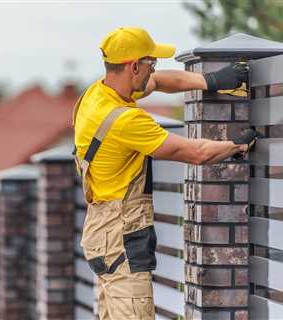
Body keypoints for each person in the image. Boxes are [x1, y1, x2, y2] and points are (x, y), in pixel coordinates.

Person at [72, 27, 258, 320]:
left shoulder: (97, 95)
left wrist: (210, 81)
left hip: (101, 233)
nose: (154, 69)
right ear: (134, 66)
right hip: (122, 234)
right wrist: (237, 145)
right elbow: (194, 152)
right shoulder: (126, 121)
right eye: (151, 63)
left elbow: (158, 83)